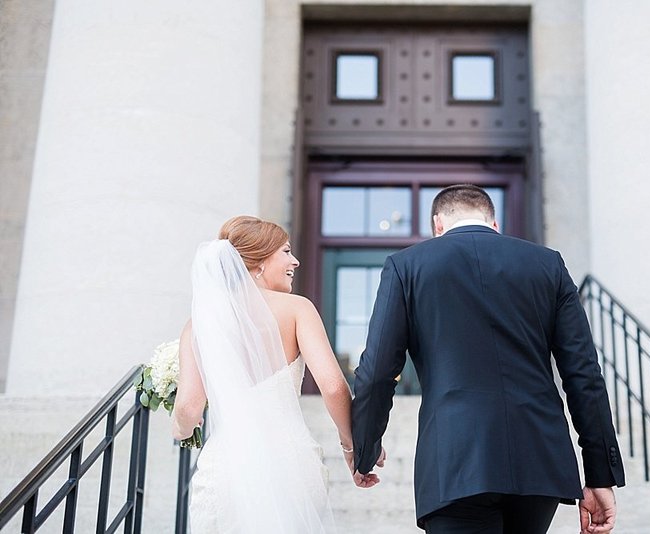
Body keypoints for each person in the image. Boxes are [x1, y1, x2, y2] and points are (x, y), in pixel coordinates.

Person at [351, 184, 625, 534]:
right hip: (539, 459)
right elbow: (583, 374)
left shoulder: (406, 266)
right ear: (494, 224)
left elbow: (376, 372)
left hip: (455, 458)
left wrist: (365, 447)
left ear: (437, 225)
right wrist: (600, 472)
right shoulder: (548, 264)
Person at [172, 215, 379, 533]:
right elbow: (335, 387)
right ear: (257, 264)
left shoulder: (199, 325)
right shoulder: (297, 309)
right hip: (291, 464)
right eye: (285, 251)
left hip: (225, 469)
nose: (294, 261)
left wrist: (182, 432)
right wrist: (351, 447)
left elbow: (188, 409)